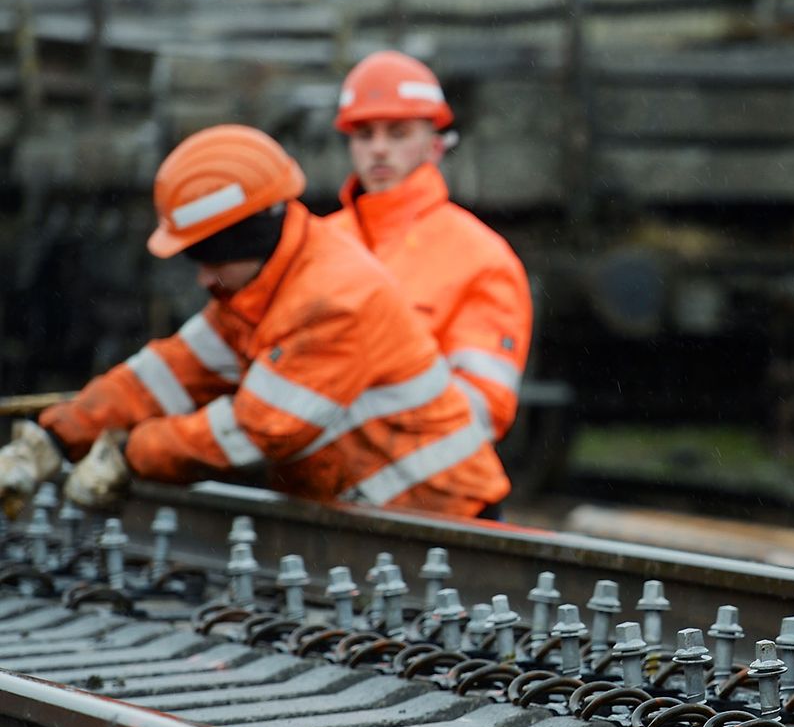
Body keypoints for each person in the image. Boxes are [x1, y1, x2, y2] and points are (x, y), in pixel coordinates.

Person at [0, 125, 509, 518]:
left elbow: (256, 430)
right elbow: (169, 373)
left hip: (445, 517)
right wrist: (57, 438)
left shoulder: (335, 298)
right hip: (370, 515)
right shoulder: (257, 288)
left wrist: (130, 454)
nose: (202, 276)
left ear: (245, 238)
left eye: (208, 255)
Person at [324, 50, 532, 447]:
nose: (379, 149)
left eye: (398, 133)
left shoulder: (482, 258)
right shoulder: (317, 245)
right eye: (365, 134)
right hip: (320, 491)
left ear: (434, 147)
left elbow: (482, 410)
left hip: (425, 497)